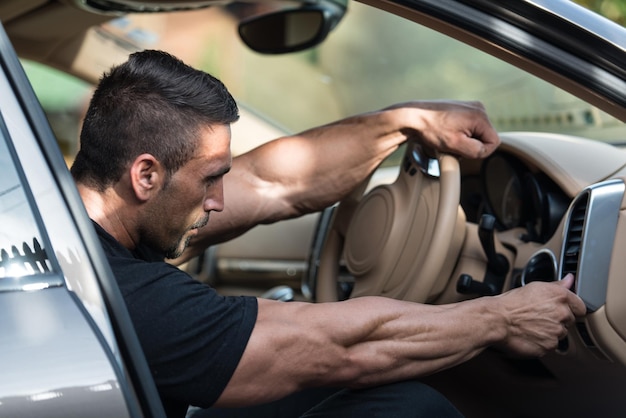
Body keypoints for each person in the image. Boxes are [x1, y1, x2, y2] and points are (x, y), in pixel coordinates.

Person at [70, 50, 586, 418]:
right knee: (408, 409)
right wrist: (500, 318)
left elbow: (273, 182)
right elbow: (328, 347)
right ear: (145, 176)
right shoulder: (110, 293)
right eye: (210, 179)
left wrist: (404, 124)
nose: (220, 201)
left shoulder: (70, 216)